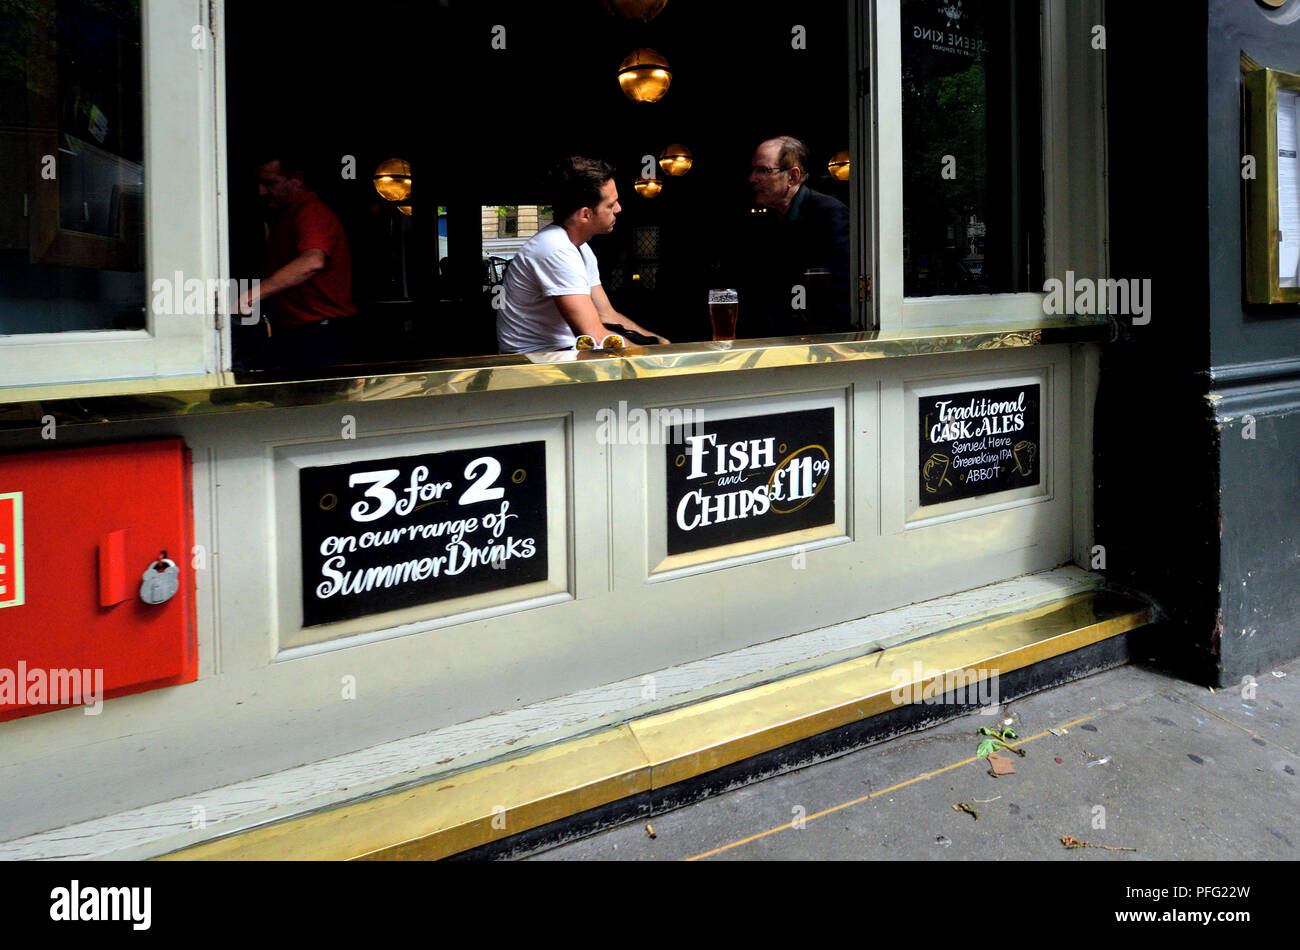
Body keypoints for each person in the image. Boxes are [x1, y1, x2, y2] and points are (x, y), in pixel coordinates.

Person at [497, 156, 669, 353]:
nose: (619, 209)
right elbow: (594, 335)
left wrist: (657, 340)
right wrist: (654, 358)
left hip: (563, 353)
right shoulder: (555, 248)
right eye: (610, 205)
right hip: (533, 362)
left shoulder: (580, 248)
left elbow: (607, 315)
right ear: (586, 214)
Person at [238, 152, 357, 370]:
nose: (261, 191)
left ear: (297, 179)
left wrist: (250, 296)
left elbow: (312, 261)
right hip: (298, 331)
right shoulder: (286, 217)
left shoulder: (312, 214)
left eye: (270, 183)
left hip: (318, 334)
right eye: (259, 183)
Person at [746, 136, 852, 336]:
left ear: (792, 177)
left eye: (763, 170)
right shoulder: (766, 221)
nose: (752, 178)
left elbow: (842, 294)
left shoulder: (829, 214)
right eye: (753, 170)